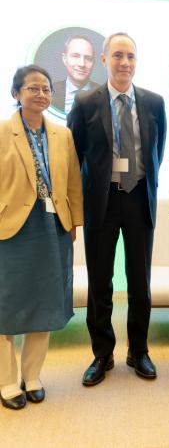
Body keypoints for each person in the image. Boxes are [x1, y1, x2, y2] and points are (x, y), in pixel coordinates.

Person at [68, 32, 166, 387]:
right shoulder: (85, 102)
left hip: (139, 199)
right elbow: (74, 156)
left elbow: (155, 152)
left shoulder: (154, 103)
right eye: (118, 56)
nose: (125, 63)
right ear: (105, 60)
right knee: (100, 282)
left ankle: (138, 350)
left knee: (140, 282)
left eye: (131, 56)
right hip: (101, 202)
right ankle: (102, 353)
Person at [0, 65, 83, 410]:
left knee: (46, 303)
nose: (41, 94)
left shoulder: (62, 134)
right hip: (11, 230)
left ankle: (32, 376)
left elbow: (74, 182)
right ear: (16, 93)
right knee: (6, 306)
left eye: (46, 89)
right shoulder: (3, 131)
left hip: (53, 229)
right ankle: (6, 380)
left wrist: (74, 222)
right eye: (32, 88)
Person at [52, 35, 99, 113]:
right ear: (64, 59)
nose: (82, 64)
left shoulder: (106, 96)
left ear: (93, 62)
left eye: (88, 58)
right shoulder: (49, 93)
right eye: (75, 56)